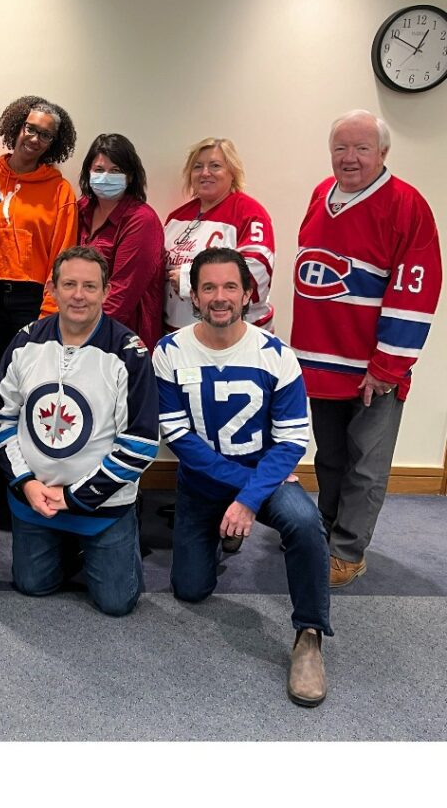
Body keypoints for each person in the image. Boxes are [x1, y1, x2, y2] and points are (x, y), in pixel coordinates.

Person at [154, 248, 331, 707]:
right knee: (190, 591)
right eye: (208, 287)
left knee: (306, 523)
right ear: (193, 295)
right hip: (203, 483)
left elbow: (292, 442)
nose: (219, 297)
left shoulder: (276, 354)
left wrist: (250, 498)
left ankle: (309, 635)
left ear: (247, 292)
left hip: (265, 482)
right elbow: (179, 438)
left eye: (230, 286)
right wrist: (240, 491)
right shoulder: (168, 352)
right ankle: (223, 531)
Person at [291, 110, 442, 588]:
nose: (349, 158)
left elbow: (416, 289)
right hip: (321, 363)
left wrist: (388, 364)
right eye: (341, 147)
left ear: (382, 153)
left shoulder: (406, 205)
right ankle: (326, 530)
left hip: (373, 370)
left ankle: (348, 551)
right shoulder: (321, 194)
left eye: (361, 148)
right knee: (330, 458)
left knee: (365, 465)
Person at [0, 246, 159, 616]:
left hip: (102, 505)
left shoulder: (129, 353)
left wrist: (74, 497)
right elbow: (1, 420)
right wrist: (27, 484)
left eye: (89, 286)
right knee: (32, 587)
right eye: (69, 284)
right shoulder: (26, 340)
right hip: (34, 499)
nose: (78, 295)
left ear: (106, 291)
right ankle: (65, 542)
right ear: (51, 288)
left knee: (116, 604)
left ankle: (106, 538)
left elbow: (141, 443)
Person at [0, 94, 78, 394]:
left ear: (54, 143)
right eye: (30, 128)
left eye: (45, 135)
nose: (35, 139)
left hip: (30, 299)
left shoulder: (60, 191)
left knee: (29, 381)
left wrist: (50, 310)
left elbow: (63, 254)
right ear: (17, 127)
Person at [163, 137, 274, 332]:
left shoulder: (250, 213)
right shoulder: (176, 218)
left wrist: (190, 280)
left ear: (232, 172)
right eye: (198, 167)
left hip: (233, 337)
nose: (205, 173)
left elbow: (257, 276)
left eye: (215, 166)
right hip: (179, 336)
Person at [76, 133, 165, 350]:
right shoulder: (80, 210)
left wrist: (76, 332)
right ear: (88, 173)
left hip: (122, 340)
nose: (105, 177)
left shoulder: (142, 220)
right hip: (79, 327)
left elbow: (121, 294)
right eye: (98, 170)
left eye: (115, 171)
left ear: (131, 176)